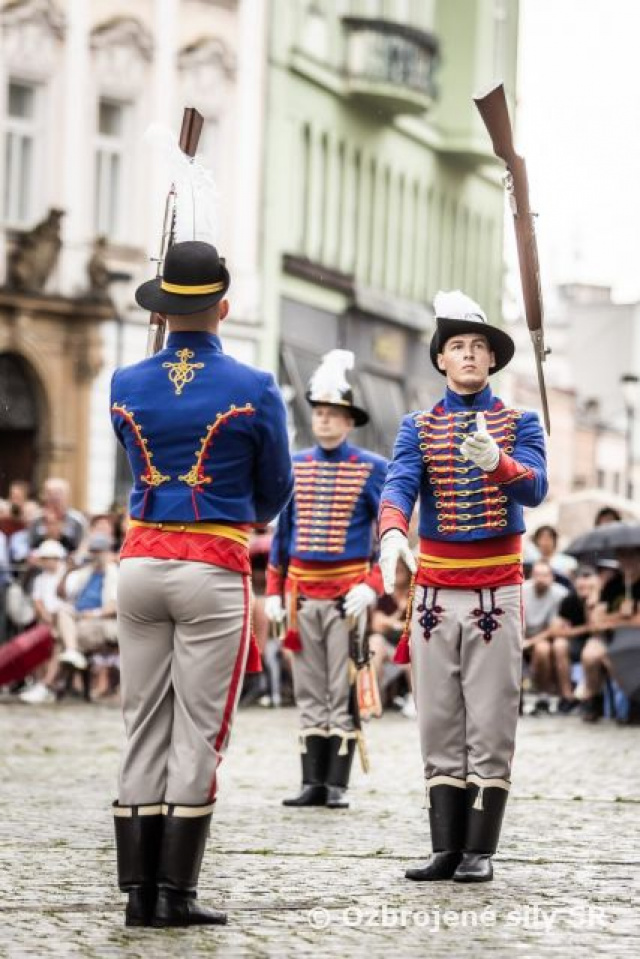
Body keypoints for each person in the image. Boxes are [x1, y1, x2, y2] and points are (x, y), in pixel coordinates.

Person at [111, 240, 293, 928]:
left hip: (138, 562)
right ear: (225, 306)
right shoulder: (254, 386)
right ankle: (175, 893)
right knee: (198, 730)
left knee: (142, 725)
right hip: (211, 567)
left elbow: (132, 459)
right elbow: (275, 488)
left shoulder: (124, 381)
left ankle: (136, 893)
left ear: (161, 305)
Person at [379, 290, 548, 883]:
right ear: (441, 360)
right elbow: (399, 483)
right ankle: (445, 846)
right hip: (432, 592)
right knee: (439, 718)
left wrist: (499, 463)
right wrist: (392, 533)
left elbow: (535, 489)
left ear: (493, 361)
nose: (470, 355)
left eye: (479, 346)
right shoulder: (418, 426)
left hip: (494, 592)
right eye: (458, 346)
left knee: (492, 714)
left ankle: (480, 848)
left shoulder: (521, 422)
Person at [265, 350, 387, 810]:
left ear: (349, 420)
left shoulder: (372, 468)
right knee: (309, 690)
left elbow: (390, 535)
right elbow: (283, 536)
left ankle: (337, 783)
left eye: (334, 414)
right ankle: (311, 782)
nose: (325, 422)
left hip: (346, 595)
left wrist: (371, 585)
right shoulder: (294, 465)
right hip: (300, 594)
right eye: (318, 413)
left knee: (342, 689)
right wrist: (274, 593)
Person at [581, 547, 640, 723]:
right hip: (608, 638)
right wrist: (620, 616)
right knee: (590, 655)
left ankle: (633, 703)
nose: (627, 561)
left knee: (619, 658)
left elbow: (637, 622)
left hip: (634, 641)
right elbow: (596, 622)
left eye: (631, 555)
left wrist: (614, 619)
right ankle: (594, 699)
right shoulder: (612, 584)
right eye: (623, 556)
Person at [548, 565, 601, 714]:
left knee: (591, 651)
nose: (584, 590)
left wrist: (591, 604)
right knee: (559, 645)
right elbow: (555, 630)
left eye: (588, 586)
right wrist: (583, 629)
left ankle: (591, 697)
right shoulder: (569, 600)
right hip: (577, 641)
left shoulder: (602, 597)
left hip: (600, 640)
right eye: (580, 586)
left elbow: (596, 629)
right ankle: (567, 696)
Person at [521, 560, 569, 714]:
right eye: (537, 574)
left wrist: (530, 642)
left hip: (547, 637)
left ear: (552, 577)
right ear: (531, 576)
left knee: (543, 649)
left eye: (545, 575)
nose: (541, 578)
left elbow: (554, 628)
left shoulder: (561, 594)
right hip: (523, 635)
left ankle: (544, 695)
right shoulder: (521, 590)